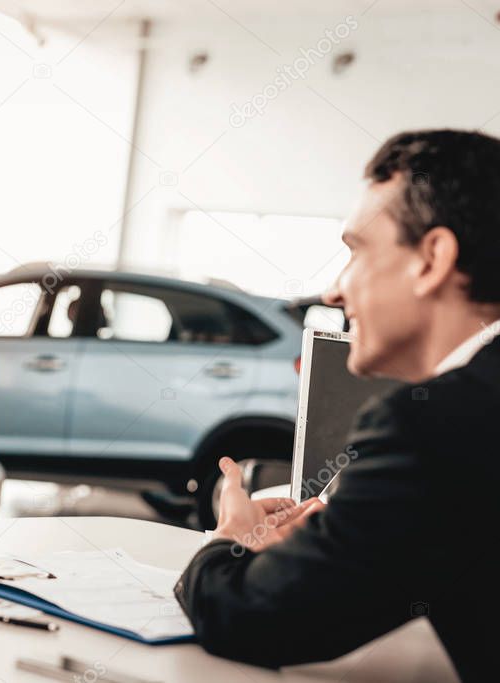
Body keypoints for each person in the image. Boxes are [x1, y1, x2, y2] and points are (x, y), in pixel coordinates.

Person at [175, 129, 500, 682]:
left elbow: (251, 619)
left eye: (356, 253)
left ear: (432, 259)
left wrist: (232, 538)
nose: (333, 290)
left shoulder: (433, 428)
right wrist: (338, 544)